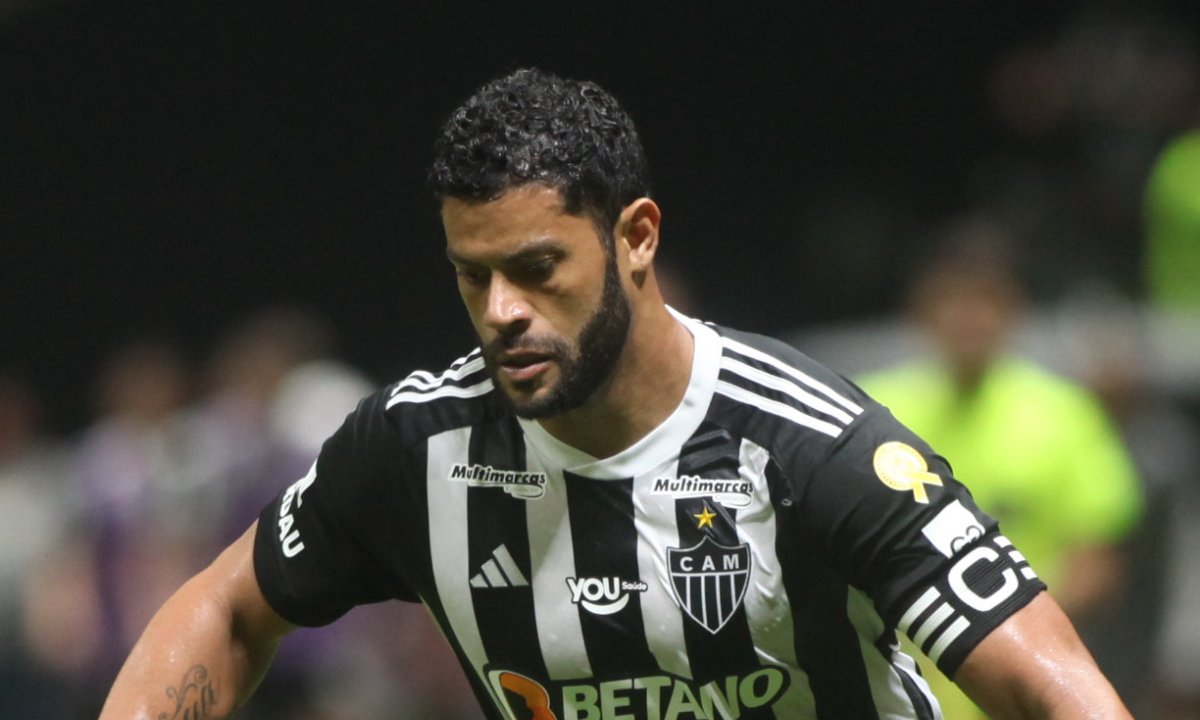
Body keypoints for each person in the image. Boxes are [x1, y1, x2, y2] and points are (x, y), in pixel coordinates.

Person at [99, 68, 1131, 720]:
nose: (501, 309)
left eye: (538, 266)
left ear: (636, 237)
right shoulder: (416, 451)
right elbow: (227, 611)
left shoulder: (813, 445)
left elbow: (1051, 688)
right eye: (472, 274)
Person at [856, 222, 1143, 718]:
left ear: (1014, 310)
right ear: (921, 310)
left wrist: (1004, 637)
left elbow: (1098, 560)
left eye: (986, 302)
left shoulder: (1065, 414)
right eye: (952, 301)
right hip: (897, 694)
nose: (969, 319)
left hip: (1018, 693)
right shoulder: (871, 412)